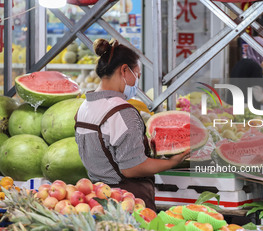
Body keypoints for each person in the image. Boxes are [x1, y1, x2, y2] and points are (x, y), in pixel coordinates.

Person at [74, 39, 190, 211]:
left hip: (96, 198)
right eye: (137, 74)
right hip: (128, 202)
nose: (137, 81)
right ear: (124, 70)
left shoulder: (84, 107)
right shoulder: (122, 111)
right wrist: (172, 162)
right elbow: (132, 168)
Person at [228, 36, 263, 109]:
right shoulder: (255, 67)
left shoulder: (240, 63)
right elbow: (259, 97)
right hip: (246, 110)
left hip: (234, 108)